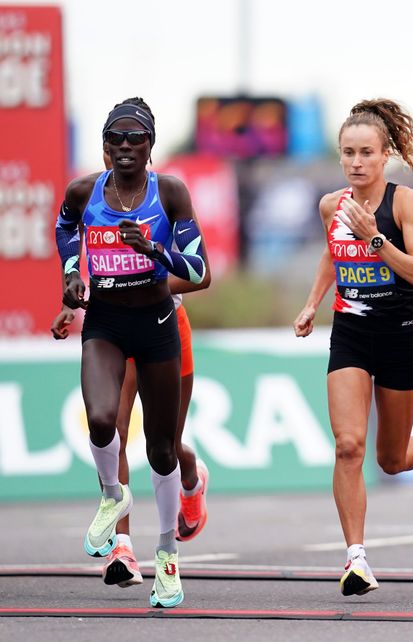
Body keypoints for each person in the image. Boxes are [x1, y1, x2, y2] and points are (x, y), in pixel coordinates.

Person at [53, 97, 209, 608]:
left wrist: (152, 250)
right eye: (115, 139)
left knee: (161, 450)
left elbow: (198, 271)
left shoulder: (170, 192)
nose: (124, 147)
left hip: (160, 322)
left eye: (134, 138)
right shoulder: (83, 191)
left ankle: (166, 553)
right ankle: (112, 495)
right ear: (103, 146)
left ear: (150, 146)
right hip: (106, 323)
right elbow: (64, 229)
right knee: (101, 422)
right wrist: (73, 274)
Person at [293, 98, 413, 597]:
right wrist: (312, 304)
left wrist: (375, 238)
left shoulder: (405, 204)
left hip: (401, 334)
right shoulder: (330, 206)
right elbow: (332, 256)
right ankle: (356, 557)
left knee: (391, 458)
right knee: (348, 446)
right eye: (347, 153)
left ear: (385, 157)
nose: (356, 162)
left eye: (365, 153)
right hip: (351, 336)